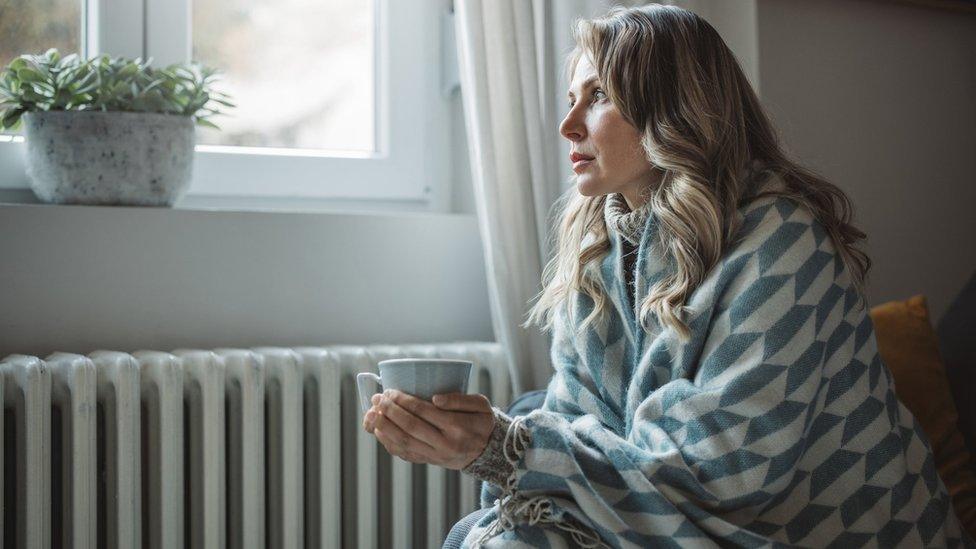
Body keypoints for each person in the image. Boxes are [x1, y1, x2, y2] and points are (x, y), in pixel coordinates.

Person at [363, 4, 974, 547]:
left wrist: (506, 448)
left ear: (675, 108)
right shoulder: (599, 246)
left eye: (598, 96)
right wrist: (490, 451)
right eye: (571, 98)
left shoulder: (782, 243)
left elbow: (720, 474)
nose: (568, 125)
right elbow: (582, 421)